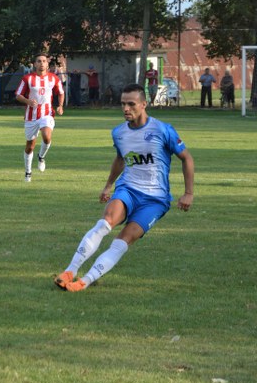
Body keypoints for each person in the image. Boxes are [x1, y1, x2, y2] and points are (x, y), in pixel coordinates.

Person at [54, 83, 194, 292]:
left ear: (144, 104)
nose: (126, 108)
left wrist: (188, 193)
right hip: (128, 189)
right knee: (104, 224)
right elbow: (120, 159)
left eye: (131, 104)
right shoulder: (119, 133)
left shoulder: (163, 130)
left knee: (123, 240)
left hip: (155, 201)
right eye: (122, 104)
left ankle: (85, 281)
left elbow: (186, 158)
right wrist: (108, 185)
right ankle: (70, 271)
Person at [15, 54, 64, 182]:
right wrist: (28, 101)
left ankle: (41, 157)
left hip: (47, 113)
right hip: (31, 116)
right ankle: (28, 172)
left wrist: (60, 105)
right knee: (30, 146)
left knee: (47, 137)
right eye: (39, 61)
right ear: (34, 64)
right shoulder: (27, 79)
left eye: (44, 61)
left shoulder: (53, 78)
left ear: (47, 64)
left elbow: (61, 93)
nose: (41, 63)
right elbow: (18, 95)